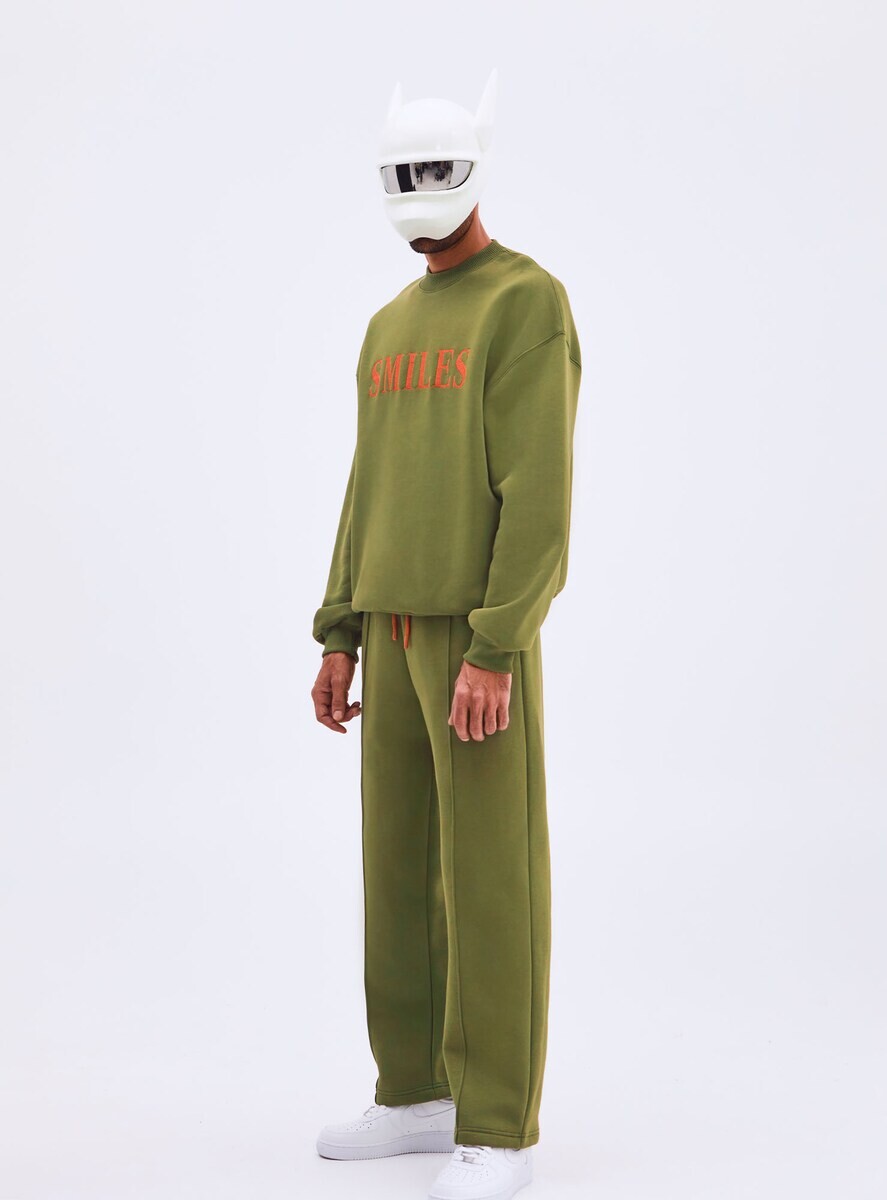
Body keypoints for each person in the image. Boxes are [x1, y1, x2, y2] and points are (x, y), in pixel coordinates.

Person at [309, 68, 581, 1200]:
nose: (417, 188)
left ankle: (499, 1124)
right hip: (387, 622)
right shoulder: (388, 325)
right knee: (397, 870)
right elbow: (366, 483)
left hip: (473, 642)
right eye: (400, 172)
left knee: (489, 876)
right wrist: (339, 629)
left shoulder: (525, 301)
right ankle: (414, 1093)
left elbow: (539, 491)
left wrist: (496, 643)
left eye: (433, 167)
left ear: (471, 164)